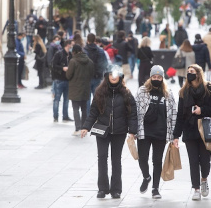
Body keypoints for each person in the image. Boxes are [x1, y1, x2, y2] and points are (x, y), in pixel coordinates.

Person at [80, 65, 138, 199]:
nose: (113, 76)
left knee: (116, 160)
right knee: (102, 158)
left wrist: (132, 131)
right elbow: (93, 111)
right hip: (102, 129)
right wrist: (86, 127)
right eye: (111, 74)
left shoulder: (126, 93)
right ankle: (102, 188)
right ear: (107, 76)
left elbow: (132, 114)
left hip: (119, 131)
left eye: (116, 74)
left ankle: (116, 189)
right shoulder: (100, 92)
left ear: (120, 77)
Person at [173, 64, 211, 201]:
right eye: (188, 72)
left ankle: (204, 179)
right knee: (193, 161)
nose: (189, 74)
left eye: (192, 71)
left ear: (198, 74)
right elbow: (180, 115)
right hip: (189, 130)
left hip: (206, 130)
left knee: (205, 161)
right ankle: (196, 189)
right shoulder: (184, 91)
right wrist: (176, 136)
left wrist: (202, 110)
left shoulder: (209, 89)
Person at [135, 65, 177, 199]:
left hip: (161, 132)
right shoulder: (142, 91)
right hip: (144, 131)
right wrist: (133, 130)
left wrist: (174, 135)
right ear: (150, 77)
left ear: (162, 78)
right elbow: (135, 111)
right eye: (154, 77)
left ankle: (155, 188)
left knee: (157, 161)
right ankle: (146, 177)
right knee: (142, 158)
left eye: (159, 77)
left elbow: (173, 113)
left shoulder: (168, 93)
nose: (156, 79)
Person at [67, 44, 95, 135]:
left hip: (75, 88)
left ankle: (78, 128)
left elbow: (68, 75)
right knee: (84, 109)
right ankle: (84, 128)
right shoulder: (90, 61)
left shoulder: (73, 61)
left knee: (75, 109)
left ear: (74, 52)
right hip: (86, 88)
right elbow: (92, 74)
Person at [84, 33, 109, 114]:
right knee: (97, 97)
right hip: (97, 76)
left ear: (87, 40)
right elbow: (105, 64)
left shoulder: (83, 51)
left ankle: (88, 115)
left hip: (86, 77)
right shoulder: (100, 51)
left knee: (87, 98)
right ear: (95, 40)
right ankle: (95, 114)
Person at [52, 39, 74, 122]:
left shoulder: (71, 55)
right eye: (72, 44)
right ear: (68, 45)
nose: (72, 46)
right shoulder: (59, 54)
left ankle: (65, 116)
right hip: (59, 79)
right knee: (57, 99)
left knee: (66, 99)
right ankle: (55, 116)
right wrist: (62, 68)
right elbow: (53, 65)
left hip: (68, 80)